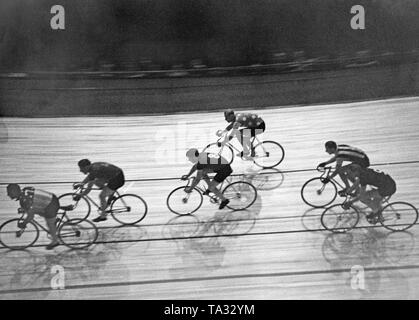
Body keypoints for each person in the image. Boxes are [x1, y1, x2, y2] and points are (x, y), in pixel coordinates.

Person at [6, 184, 60, 250]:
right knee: (36, 211)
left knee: (49, 223)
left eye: (9, 192)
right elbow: (32, 202)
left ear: (15, 192)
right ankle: (54, 220)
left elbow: (30, 216)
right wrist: (26, 209)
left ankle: (55, 241)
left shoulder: (24, 200)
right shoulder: (25, 190)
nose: (8, 195)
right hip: (51, 198)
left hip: (51, 204)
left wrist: (24, 223)